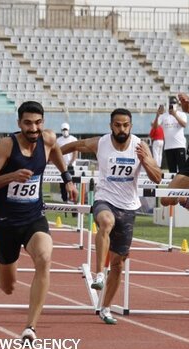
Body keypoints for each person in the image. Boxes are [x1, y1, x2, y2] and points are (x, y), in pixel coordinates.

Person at [0, 101, 78, 340]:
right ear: (19, 124)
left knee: (44, 257)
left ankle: (30, 327)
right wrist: (11, 176)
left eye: (37, 123)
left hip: (34, 217)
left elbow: (54, 150)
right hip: (6, 222)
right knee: (8, 286)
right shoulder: (6, 145)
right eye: (27, 123)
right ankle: (1, 276)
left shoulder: (48, 138)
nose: (33, 128)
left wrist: (67, 178)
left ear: (42, 122)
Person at [61, 108, 161, 325]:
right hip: (104, 199)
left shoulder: (140, 146)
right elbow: (73, 146)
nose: (121, 129)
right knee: (105, 222)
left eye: (125, 125)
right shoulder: (101, 143)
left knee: (118, 264)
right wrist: (53, 157)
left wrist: (145, 161)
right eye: (117, 125)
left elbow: (158, 178)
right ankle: (98, 274)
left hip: (129, 206)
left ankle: (105, 307)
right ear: (111, 126)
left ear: (131, 127)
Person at [153, 97, 187, 173]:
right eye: (171, 103)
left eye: (174, 103)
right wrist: (157, 115)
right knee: (172, 171)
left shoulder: (182, 114)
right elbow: (155, 127)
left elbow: (184, 124)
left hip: (180, 145)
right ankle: (174, 185)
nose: (172, 105)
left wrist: (175, 115)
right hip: (168, 147)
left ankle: (182, 185)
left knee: (182, 169)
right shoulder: (163, 116)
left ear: (177, 105)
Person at [56, 122, 78, 215]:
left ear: (68, 130)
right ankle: (65, 205)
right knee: (63, 187)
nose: (65, 131)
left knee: (73, 186)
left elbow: (75, 152)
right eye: (63, 130)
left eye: (66, 130)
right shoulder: (58, 140)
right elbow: (56, 153)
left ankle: (74, 208)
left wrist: (71, 162)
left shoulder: (73, 139)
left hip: (71, 166)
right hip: (62, 167)